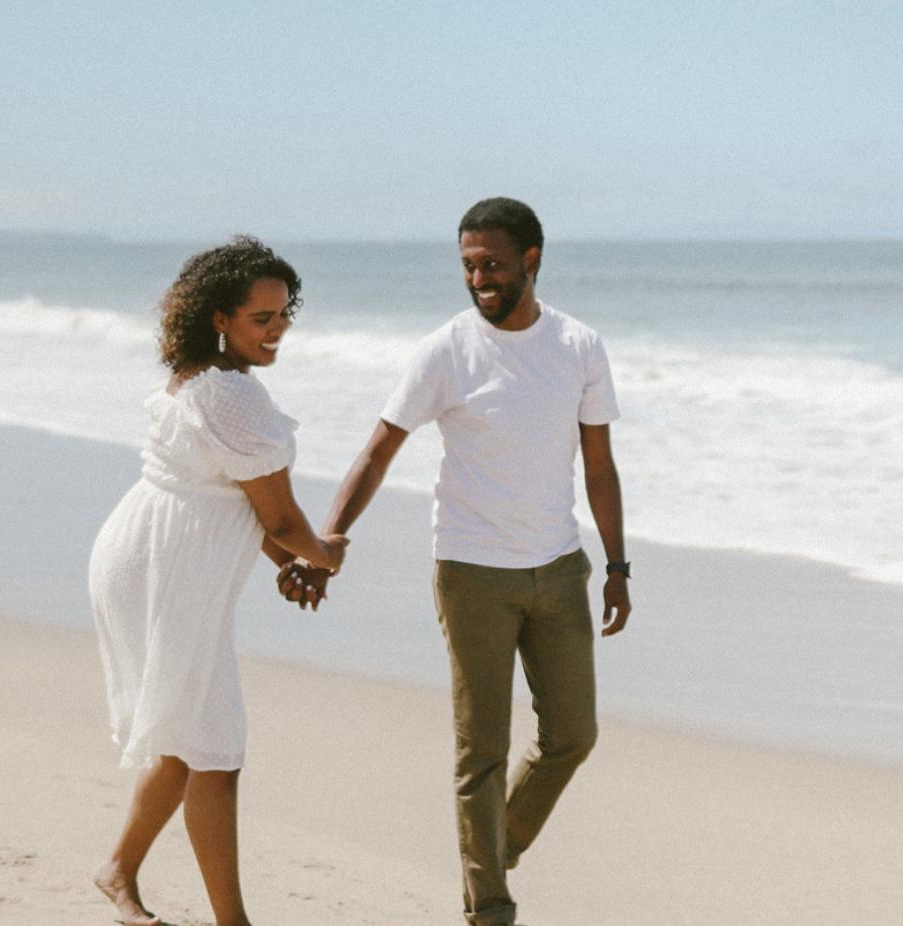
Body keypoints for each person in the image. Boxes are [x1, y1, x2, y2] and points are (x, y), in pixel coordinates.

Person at [281, 198, 632, 925]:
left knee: (573, 735)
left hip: (560, 567)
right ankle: (489, 910)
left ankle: (491, 850)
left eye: (494, 264)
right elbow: (379, 449)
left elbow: (599, 464)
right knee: (482, 754)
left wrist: (619, 566)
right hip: (471, 571)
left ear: (531, 260)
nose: (480, 279)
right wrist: (325, 541)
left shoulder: (578, 346)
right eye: (470, 265)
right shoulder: (445, 349)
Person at [89, 236, 348, 926]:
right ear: (219, 318)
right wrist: (321, 553)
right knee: (213, 746)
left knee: (191, 737)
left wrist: (290, 560)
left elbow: (241, 503)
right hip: (166, 570)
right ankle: (231, 922)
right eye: (261, 318)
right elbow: (282, 516)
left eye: (284, 313)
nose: (279, 330)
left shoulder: (202, 379)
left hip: (147, 556)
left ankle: (118, 871)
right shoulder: (231, 395)